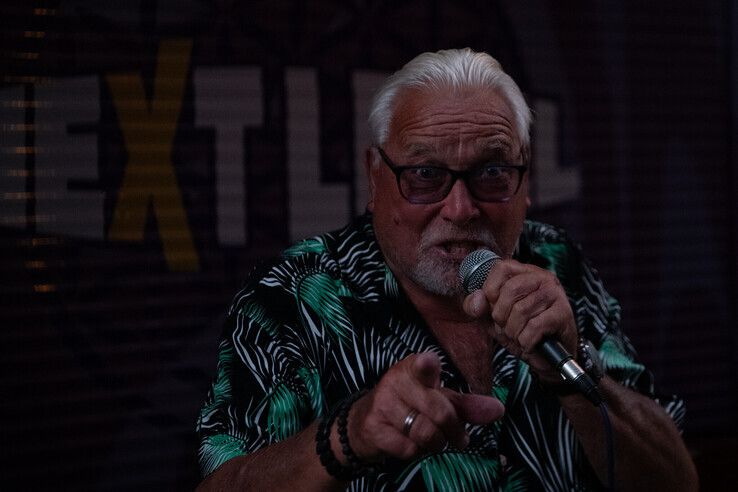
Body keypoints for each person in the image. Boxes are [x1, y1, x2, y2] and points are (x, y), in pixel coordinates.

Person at [195, 48, 698, 491]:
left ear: (525, 183)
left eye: (492, 173)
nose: (460, 209)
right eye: (425, 175)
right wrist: (347, 435)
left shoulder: (557, 262)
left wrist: (575, 373)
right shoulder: (292, 295)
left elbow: (677, 481)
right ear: (375, 178)